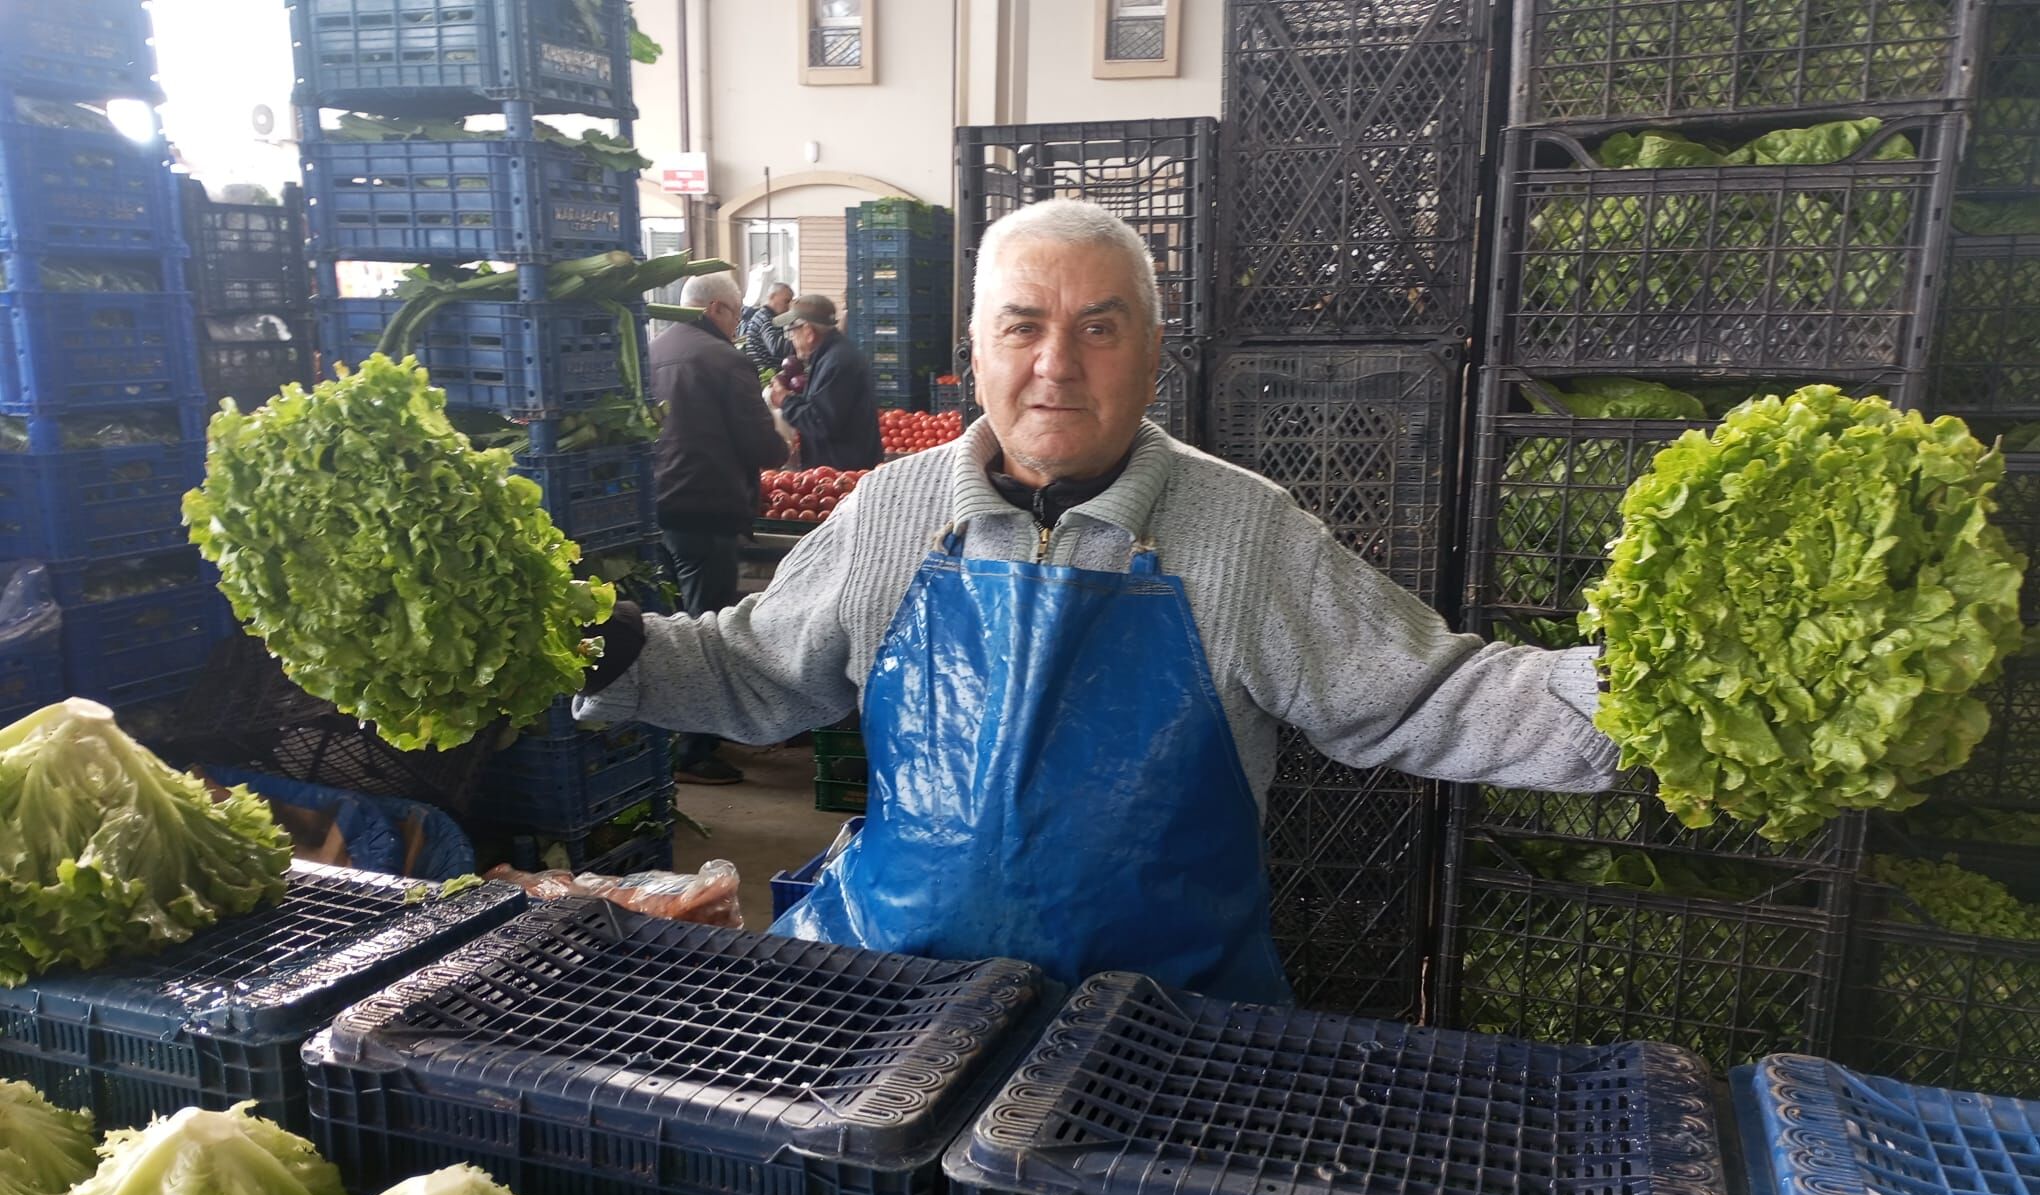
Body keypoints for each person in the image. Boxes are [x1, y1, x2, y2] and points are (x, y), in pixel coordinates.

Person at [579, 201, 1617, 1001]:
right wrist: (611, 649)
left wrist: (1634, 698)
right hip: (894, 990)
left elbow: (1432, 695)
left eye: (1100, 329)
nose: (1055, 365)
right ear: (973, 353)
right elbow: (754, 671)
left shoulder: (1244, 529)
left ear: (1155, 353)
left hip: (1155, 1028)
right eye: (1022, 326)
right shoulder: (891, 511)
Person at [644, 269, 789, 786]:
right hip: (704, 507)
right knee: (707, 630)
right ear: (715, 310)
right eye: (734, 315)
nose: (737, 327)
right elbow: (759, 443)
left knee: (662, 625)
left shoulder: (652, 351)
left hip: (654, 508)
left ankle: (663, 737)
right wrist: (782, 446)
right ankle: (693, 749)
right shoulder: (725, 360)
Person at [768, 294, 882, 471]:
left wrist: (785, 401)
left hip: (842, 471)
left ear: (808, 332)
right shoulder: (832, 356)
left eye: (792, 330)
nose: (790, 338)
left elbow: (820, 422)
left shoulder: (837, 363)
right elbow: (822, 409)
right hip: (840, 467)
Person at [740, 282, 793, 373]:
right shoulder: (766, 319)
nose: (788, 307)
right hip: (766, 373)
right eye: (786, 301)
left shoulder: (764, 315)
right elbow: (776, 347)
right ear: (772, 297)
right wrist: (800, 342)